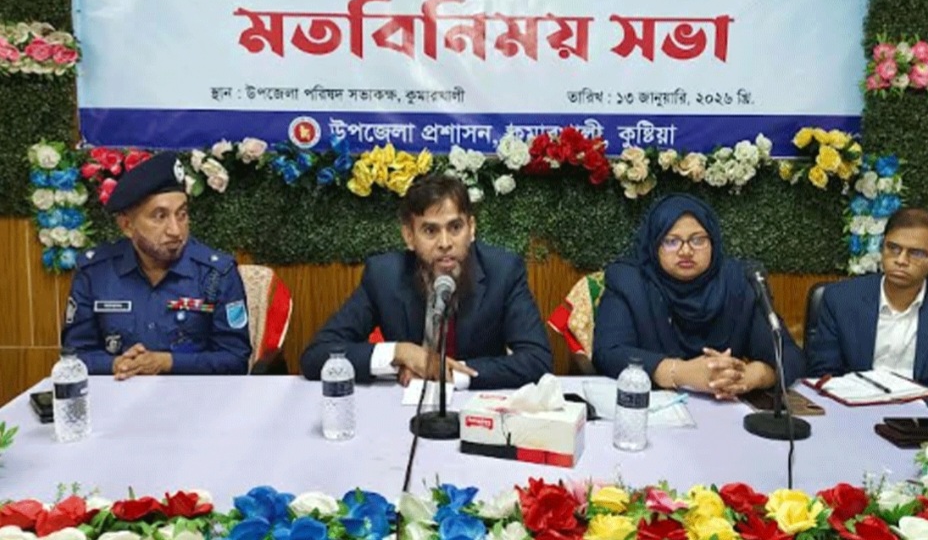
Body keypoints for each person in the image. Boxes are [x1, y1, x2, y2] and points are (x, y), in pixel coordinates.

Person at [300, 174, 553, 389]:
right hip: (404, 407)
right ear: (409, 236)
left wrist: (448, 373)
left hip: (477, 405)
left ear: (471, 228)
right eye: (430, 231)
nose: (445, 243)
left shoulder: (503, 271)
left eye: (455, 227)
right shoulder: (384, 275)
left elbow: (537, 360)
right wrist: (401, 353)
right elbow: (317, 355)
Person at [593, 193, 804, 398]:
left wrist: (749, 377)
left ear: (713, 242)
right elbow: (608, 353)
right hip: (651, 409)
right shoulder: (629, 282)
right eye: (671, 241)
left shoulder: (738, 282)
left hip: (725, 409)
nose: (685, 251)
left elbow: (789, 355)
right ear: (654, 245)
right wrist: (681, 373)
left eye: (698, 240)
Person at [61, 152, 251, 378]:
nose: (176, 231)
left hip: (196, 396)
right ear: (127, 226)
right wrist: (116, 365)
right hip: (120, 392)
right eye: (160, 216)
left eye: (182, 214)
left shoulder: (216, 273)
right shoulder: (96, 273)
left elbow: (235, 359)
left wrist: (167, 363)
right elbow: (74, 355)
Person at [807, 207, 928, 417]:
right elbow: (824, 373)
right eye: (893, 248)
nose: (901, 260)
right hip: (856, 415)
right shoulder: (841, 298)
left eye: (917, 253)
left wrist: (918, 403)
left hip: (927, 418)